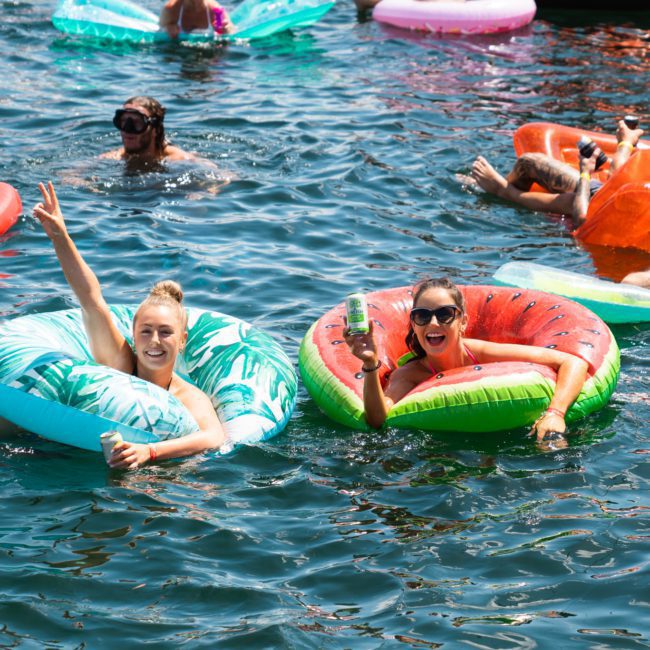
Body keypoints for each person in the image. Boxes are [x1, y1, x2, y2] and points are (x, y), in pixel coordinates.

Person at [32, 181, 226, 469]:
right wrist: (60, 236)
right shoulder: (120, 365)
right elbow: (91, 299)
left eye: (165, 332)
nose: (155, 341)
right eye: (146, 331)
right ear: (133, 337)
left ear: (183, 339)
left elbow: (214, 438)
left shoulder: (188, 396)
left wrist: (150, 452)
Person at [344, 277, 589, 451]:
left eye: (444, 314)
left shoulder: (480, 352)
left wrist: (555, 413)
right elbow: (377, 420)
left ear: (462, 322)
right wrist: (370, 364)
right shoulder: (411, 374)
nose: (433, 323)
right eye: (422, 316)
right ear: (414, 324)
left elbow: (572, 362)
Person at [470, 119, 645, 228]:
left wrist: (585, 173)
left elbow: (582, 219)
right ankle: (495, 187)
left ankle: (502, 190)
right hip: (611, 194)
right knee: (529, 162)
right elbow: (618, 177)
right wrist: (626, 143)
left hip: (601, 210)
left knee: (569, 202)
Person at [100, 96, 199, 166]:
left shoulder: (180, 159)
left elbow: (211, 174)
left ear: (155, 129)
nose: (127, 129)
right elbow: (85, 169)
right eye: (123, 121)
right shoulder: (112, 157)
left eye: (137, 122)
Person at [160, 0, 233, 38]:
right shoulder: (171, 10)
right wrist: (167, 29)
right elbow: (158, 33)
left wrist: (226, 29)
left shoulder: (216, 10)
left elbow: (230, 31)